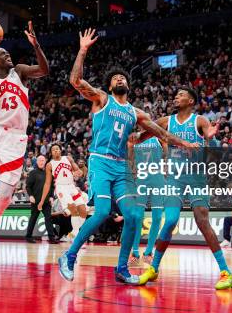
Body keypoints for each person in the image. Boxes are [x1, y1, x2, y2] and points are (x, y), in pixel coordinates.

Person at [57, 28, 195, 285]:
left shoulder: (136, 112)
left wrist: (184, 142)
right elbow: (76, 81)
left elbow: (161, 133)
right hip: (99, 160)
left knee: (133, 216)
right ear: (110, 85)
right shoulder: (101, 98)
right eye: (116, 78)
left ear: (128, 85)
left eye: (123, 77)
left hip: (121, 167)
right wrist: (83, 50)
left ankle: (122, 268)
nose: (120, 79)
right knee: (101, 212)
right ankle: (69, 255)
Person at [136, 88, 232, 290]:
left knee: (202, 221)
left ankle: (226, 272)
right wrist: (134, 132)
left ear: (190, 100)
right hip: (174, 180)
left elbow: (211, 139)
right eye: (176, 95)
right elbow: (143, 135)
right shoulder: (166, 121)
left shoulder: (200, 121)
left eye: (180, 94)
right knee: (170, 220)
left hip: (197, 178)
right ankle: (153, 268)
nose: (175, 97)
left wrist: (211, 137)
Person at [0, 21, 49, 243]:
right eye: (4, 55)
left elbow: (44, 70)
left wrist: (36, 46)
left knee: (6, 194)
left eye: (9, 54)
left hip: (15, 139)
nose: (9, 56)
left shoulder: (19, 72)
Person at [127, 135, 167, 266]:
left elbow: (167, 154)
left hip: (157, 177)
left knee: (157, 217)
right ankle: (135, 252)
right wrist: (133, 175)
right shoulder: (134, 138)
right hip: (141, 177)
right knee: (137, 216)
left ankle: (148, 252)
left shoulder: (158, 137)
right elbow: (130, 159)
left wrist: (166, 168)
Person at [45, 143, 86, 239]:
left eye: (57, 149)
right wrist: (43, 199)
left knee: (83, 210)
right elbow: (47, 183)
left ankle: (74, 232)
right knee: (73, 209)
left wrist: (78, 172)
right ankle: (76, 235)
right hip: (61, 188)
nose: (56, 150)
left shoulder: (68, 158)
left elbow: (77, 170)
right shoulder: (50, 164)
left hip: (71, 187)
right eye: (53, 149)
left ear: (60, 150)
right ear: (51, 153)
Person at [25, 155, 58, 243]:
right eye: (39, 160)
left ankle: (51, 238)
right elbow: (28, 186)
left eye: (43, 160)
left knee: (48, 218)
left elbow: (51, 187)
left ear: (45, 162)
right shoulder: (33, 173)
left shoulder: (49, 173)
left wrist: (51, 196)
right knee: (33, 218)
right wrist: (30, 196)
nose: (41, 162)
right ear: (36, 162)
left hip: (46, 201)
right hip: (36, 200)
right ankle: (28, 236)